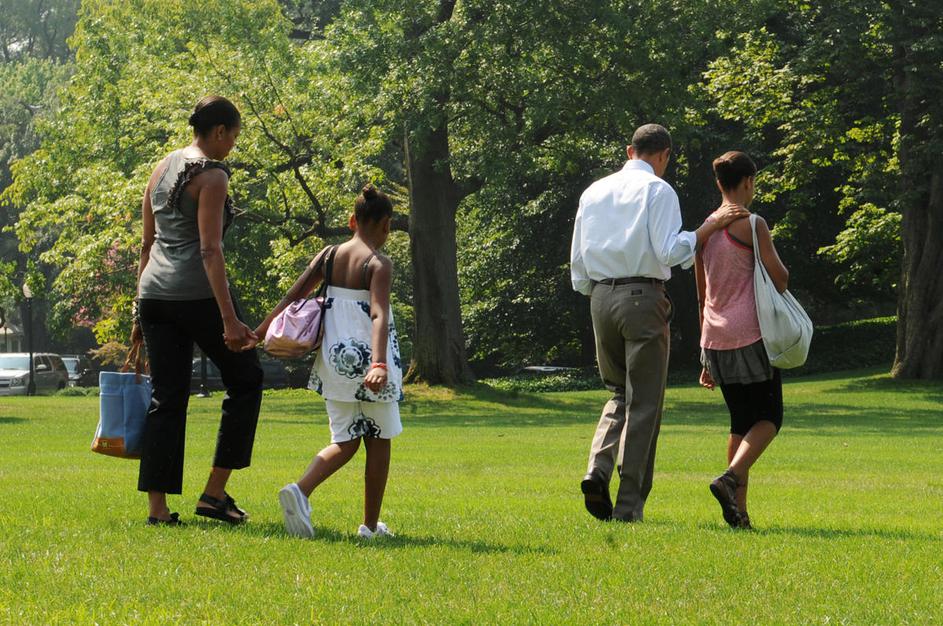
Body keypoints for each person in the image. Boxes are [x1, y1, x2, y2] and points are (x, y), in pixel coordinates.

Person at [570, 124, 748, 522]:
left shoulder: (593, 191)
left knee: (618, 392)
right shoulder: (658, 190)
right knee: (645, 403)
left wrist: (597, 292)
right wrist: (708, 227)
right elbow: (670, 251)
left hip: (600, 296)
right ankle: (628, 507)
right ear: (664, 154)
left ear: (629, 150)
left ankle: (597, 468)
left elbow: (578, 261)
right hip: (642, 296)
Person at [134, 95, 263, 526]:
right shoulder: (212, 176)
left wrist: (138, 312)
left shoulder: (161, 167)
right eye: (234, 137)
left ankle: (158, 510)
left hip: (153, 295)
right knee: (247, 379)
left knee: (166, 398)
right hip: (195, 295)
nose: (233, 145)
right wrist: (229, 319)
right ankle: (214, 493)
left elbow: (146, 245)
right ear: (220, 131)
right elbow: (210, 250)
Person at [256, 184, 404, 540]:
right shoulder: (378, 264)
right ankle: (370, 526)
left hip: (334, 363)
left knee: (345, 441)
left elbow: (293, 296)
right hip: (369, 364)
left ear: (352, 221)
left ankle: (300, 489)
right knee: (379, 440)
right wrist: (379, 364)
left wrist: (260, 331)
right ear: (386, 226)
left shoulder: (329, 255)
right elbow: (379, 315)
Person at [695, 151, 789, 529]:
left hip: (714, 337)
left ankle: (739, 513)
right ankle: (729, 479)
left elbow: (702, 294)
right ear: (748, 182)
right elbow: (780, 278)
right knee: (769, 418)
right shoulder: (753, 224)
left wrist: (704, 355)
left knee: (740, 422)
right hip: (750, 335)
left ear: (719, 183)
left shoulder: (704, 230)